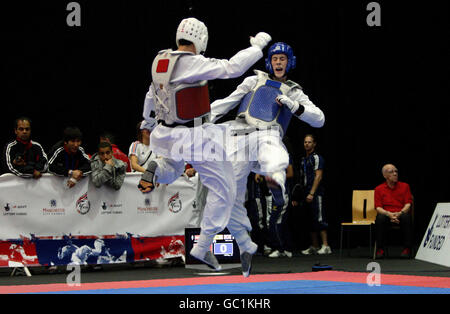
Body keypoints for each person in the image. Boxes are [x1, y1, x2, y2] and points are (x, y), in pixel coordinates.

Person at [138, 17, 271, 274]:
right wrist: (257, 48)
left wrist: (146, 120)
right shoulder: (191, 62)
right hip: (194, 136)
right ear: (200, 38)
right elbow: (232, 68)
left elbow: (150, 94)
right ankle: (203, 246)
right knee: (225, 188)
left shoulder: (160, 60)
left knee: (173, 170)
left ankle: (157, 166)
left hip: (166, 133)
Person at [210, 42, 325, 274]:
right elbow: (227, 101)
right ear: (269, 62)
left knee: (274, 153)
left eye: (282, 58)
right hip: (241, 136)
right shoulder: (253, 81)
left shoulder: (294, 91)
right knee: (231, 193)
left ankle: (276, 182)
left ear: (289, 61)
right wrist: (203, 117)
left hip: (268, 136)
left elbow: (319, 119)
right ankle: (244, 244)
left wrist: (295, 107)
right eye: (275, 59)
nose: (278, 62)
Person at [292, 134, 330, 255]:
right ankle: (314, 245)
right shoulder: (304, 159)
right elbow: (301, 179)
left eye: (309, 142)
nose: (307, 144)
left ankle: (325, 245)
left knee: (319, 218)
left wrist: (312, 193)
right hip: (305, 193)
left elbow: (318, 176)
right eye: (305, 142)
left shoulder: (317, 158)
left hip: (316, 193)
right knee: (309, 220)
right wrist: (298, 196)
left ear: (314, 144)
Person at [374, 164, 413, 258]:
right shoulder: (378, 189)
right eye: (391, 172)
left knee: (406, 217)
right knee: (380, 218)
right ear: (385, 175)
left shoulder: (405, 186)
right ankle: (380, 249)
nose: (395, 174)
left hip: (401, 213)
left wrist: (399, 213)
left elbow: (408, 204)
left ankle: (407, 249)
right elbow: (378, 207)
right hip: (387, 215)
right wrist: (389, 215)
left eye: (396, 171)